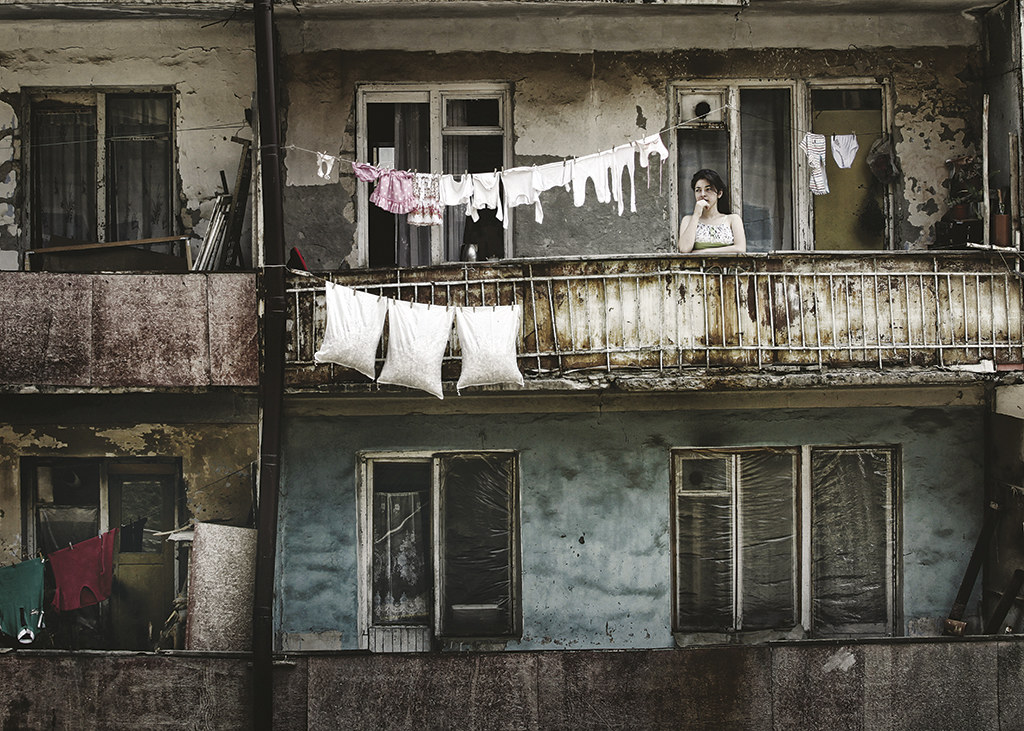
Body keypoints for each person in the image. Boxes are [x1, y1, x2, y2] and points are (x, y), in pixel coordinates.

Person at [677, 169, 747, 254]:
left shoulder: (733, 219)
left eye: (708, 189)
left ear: (719, 193)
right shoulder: (687, 220)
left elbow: (740, 248)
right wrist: (696, 215)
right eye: (698, 190)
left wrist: (705, 252)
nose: (702, 194)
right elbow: (684, 249)